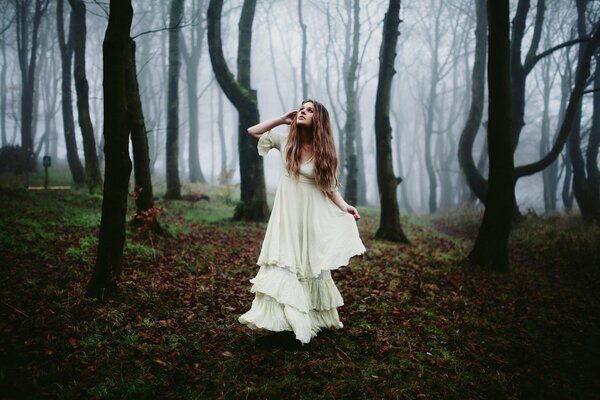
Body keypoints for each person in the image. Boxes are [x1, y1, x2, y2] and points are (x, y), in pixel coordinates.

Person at [238, 99, 366, 345]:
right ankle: (285, 322)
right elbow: (252, 131)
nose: (303, 112)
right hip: (286, 215)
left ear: (318, 120)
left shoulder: (323, 152)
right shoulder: (286, 141)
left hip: (310, 216)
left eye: (309, 111)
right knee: (284, 260)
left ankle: (307, 317)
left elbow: (329, 189)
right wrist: (282, 119)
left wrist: (345, 206)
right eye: (302, 109)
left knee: (307, 263)